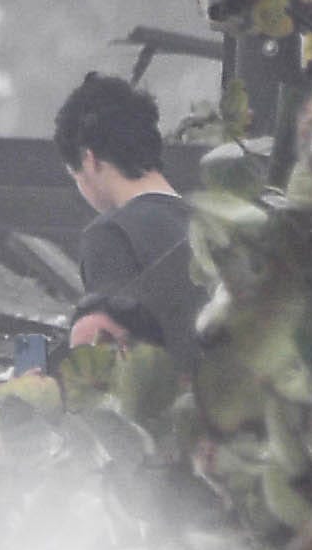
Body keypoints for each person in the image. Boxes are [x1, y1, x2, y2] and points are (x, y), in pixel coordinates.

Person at [52, 73, 202, 351]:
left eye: (75, 176)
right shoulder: (210, 223)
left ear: (89, 159)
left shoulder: (111, 234)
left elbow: (107, 359)